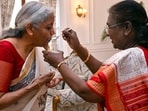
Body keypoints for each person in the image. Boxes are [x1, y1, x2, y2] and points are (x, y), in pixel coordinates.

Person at [42, 0, 148, 111]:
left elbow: (87, 92)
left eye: (109, 26)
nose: (107, 32)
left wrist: (60, 63)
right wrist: (78, 48)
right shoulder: (140, 53)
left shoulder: (129, 56)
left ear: (127, 27)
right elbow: (107, 76)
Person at [0, 1, 62, 111]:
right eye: (48, 28)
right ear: (30, 28)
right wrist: (35, 86)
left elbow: (36, 80)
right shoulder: (5, 50)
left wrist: (46, 82)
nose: (53, 32)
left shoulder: (37, 49)